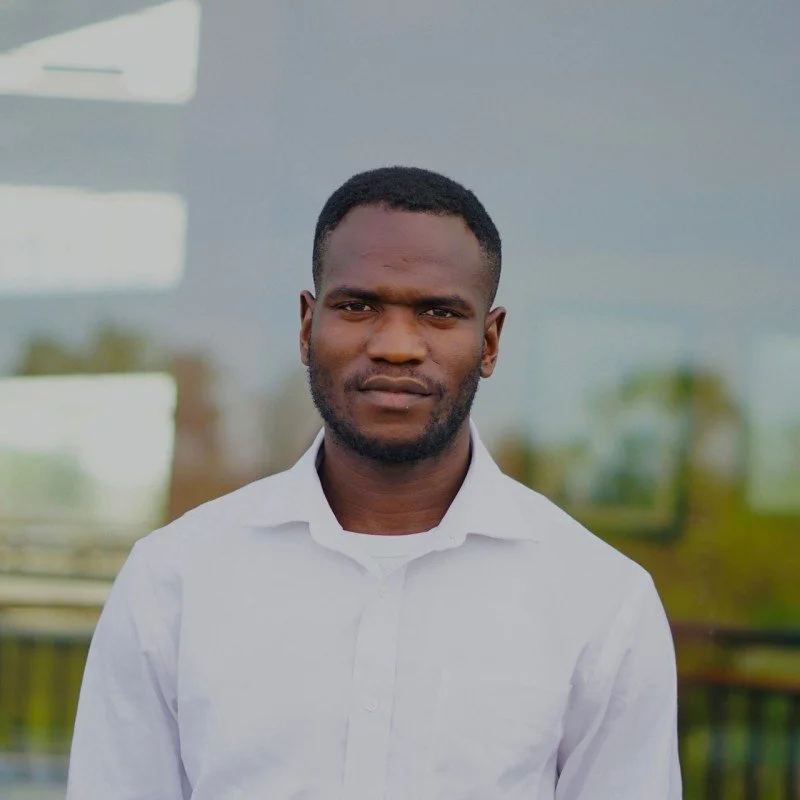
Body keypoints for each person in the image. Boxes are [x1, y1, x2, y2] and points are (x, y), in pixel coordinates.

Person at [67, 166, 682, 799]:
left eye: (439, 312)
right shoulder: (173, 579)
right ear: (307, 326)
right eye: (358, 306)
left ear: (490, 342)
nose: (395, 346)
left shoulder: (602, 602)